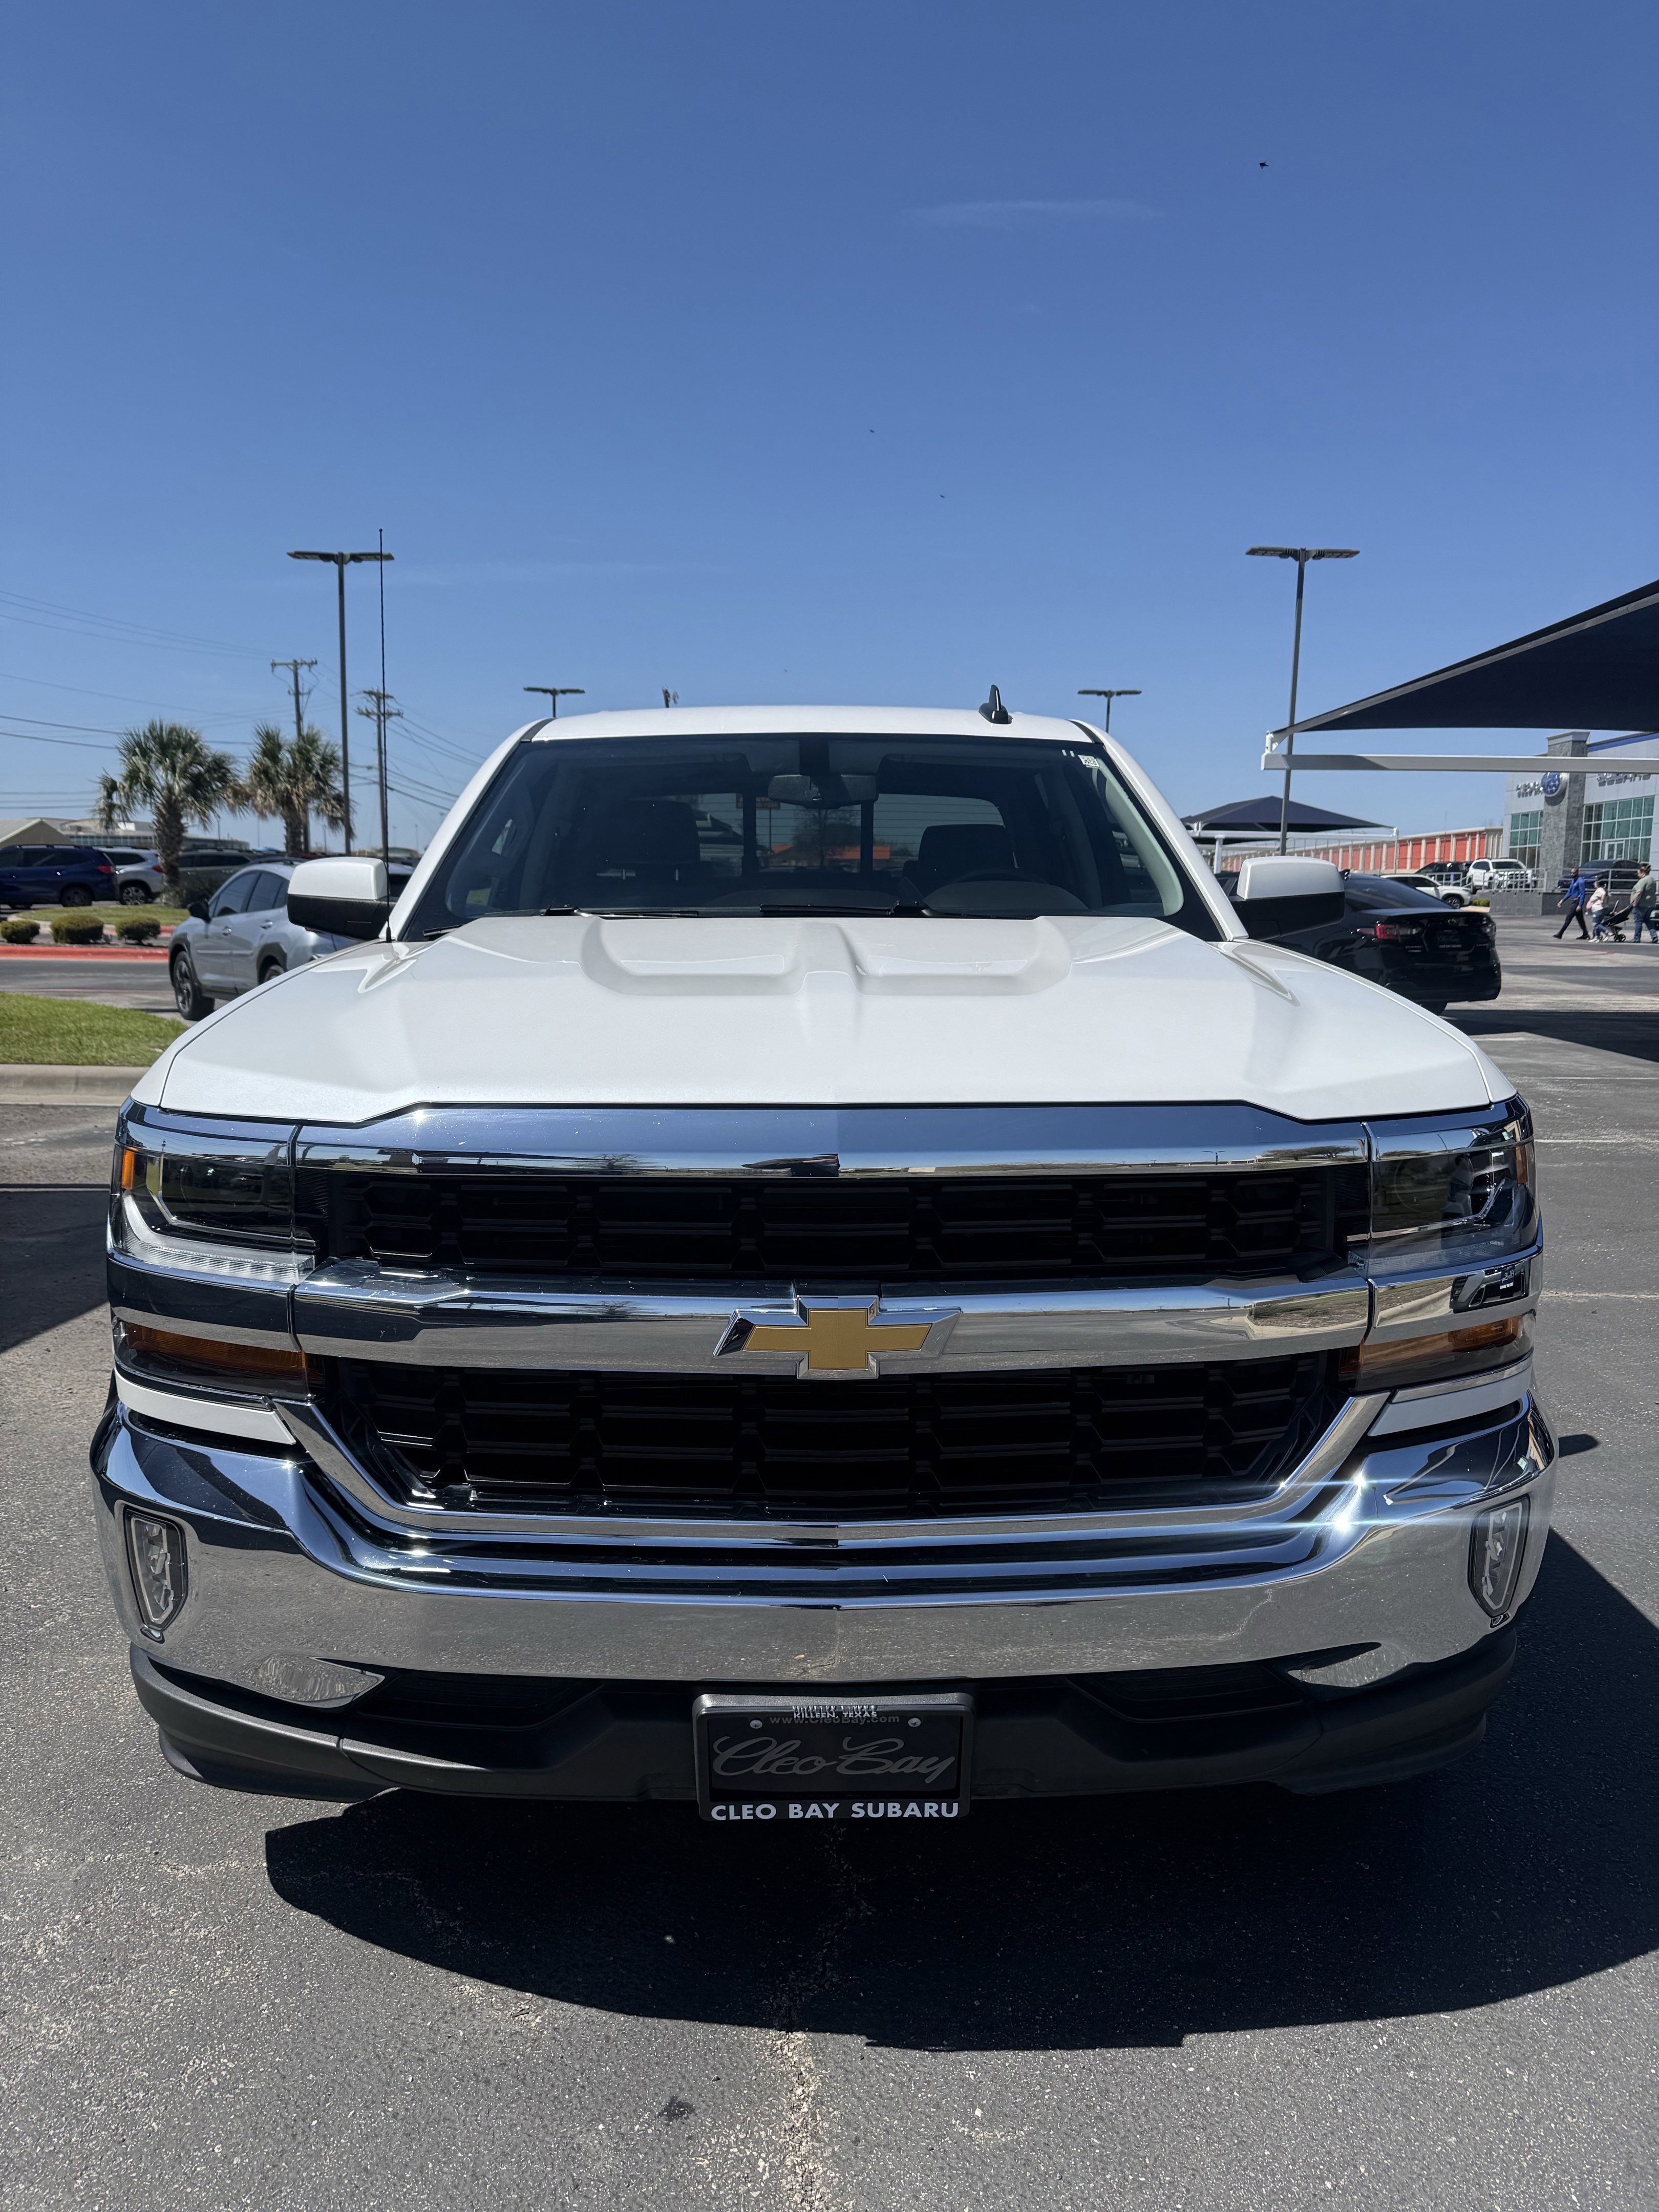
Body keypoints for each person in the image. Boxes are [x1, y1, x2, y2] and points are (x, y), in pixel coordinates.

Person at [1555, 867, 1593, 939]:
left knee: (1569, 917)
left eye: (1574, 873)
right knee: (1580, 919)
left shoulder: (1581, 882)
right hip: (1574, 901)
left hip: (1577, 902)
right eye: (1571, 873)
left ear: (1577, 873)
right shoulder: (1573, 881)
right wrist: (1562, 900)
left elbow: (1583, 894)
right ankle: (1585, 934)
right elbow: (1570, 892)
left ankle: (1560, 934)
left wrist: (1580, 905)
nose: (1572, 874)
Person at [1631, 864, 1658, 943]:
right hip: (1650, 904)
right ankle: (1654, 936)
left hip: (1641, 905)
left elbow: (1639, 893)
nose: (1638, 875)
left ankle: (1637, 938)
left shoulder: (1643, 881)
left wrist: (1635, 903)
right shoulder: (1653, 880)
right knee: (1648, 921)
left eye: (1638, 873)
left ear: (1642, 873)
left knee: (1638, 921)